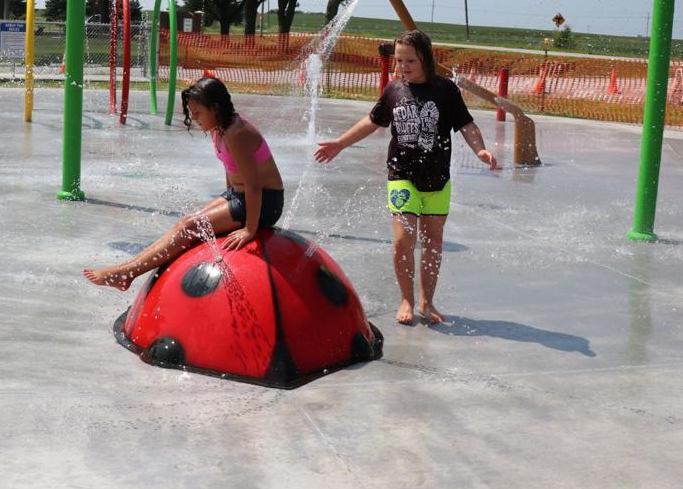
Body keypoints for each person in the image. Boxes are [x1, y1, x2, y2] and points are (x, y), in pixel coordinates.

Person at [314, 30, 497, 326]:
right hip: (401, 176)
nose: (403, 66)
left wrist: (481, 150)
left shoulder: (446, 91)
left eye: (409, 60)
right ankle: (407, 299)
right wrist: (340, 143)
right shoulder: (394, 90)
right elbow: (371, 121)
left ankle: (428, 300)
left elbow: (467, 125)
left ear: (425, 57)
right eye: (399, 60)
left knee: (433, 241)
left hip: (437, 179)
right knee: (403, 240)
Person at [84, 76, 285, 291]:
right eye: (192, 113)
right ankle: (125, 270)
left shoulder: (237, 133)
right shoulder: (221, 128)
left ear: (215, 108)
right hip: (240, 196)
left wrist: (249, 229)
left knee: (190, 227)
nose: (194, 118)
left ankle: (126, 274)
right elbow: (232, 169)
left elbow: (254, 185)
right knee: (186, 223)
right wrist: (224, 204)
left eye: (198, 113)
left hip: (264, 203)